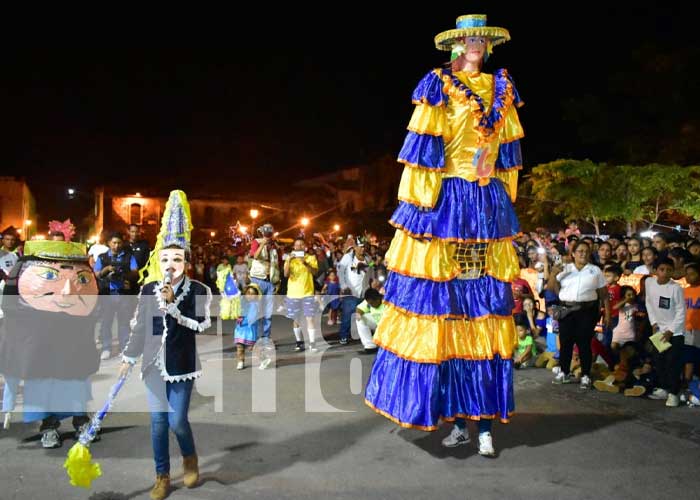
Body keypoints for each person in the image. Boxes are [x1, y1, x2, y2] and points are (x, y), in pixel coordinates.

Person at [364, 14, 523, 457]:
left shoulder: (503, 86)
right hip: (448, 202)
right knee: (443, 322)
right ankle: (454, 421)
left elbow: (508, 154)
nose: (474, 44)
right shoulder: (438, 84)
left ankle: (485, 426)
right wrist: (425, 208)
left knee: (485, 321)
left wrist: (502, 203)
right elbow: (424, 147)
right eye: (467, 38)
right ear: (456, 46)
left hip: (486, 204)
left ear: (488, 45)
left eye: (480, 38)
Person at [119, 190, 212, 500]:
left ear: (186, 261)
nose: (171, 264)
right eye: (166, 258)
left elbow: (201, 325)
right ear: (159, 260)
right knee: (158, 423)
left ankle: (189, 457)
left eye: (177, 258)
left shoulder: (198, 289)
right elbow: (140, 326)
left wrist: (174, 307)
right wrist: (128, 356)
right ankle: (162, 476)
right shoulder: (148, 289)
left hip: (181, 363)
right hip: (151, 363)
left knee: (177, 421)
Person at [0, 239, 99, 448]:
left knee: (76, 382)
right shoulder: (25, 267)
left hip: (73, 338)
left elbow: (94, 301)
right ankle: (49, 426)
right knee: (44, 384)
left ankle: (81, 420)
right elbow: (12, 308)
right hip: (40, 341)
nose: (65, 289)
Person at [548, 241, 611, 390]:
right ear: (573, 254)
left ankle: (585, 375)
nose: (583, 254)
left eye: (586, 251)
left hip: (586, 311)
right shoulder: (565, 268)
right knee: (566, 343)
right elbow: (551, 287)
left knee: (584, 344)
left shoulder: (595, 270)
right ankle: (564, 372)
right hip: (566, 310)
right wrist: (553, 273)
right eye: (580, 251)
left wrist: (607, 314)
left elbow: (604, 294)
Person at [645, 257, 686, 407]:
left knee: (672, 362)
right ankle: (663, 388)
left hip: (675, 333)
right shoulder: (649, 283)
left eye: (669, 270)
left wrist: (670, 330)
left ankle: (674, 393)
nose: (665, 273)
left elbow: (681, 312)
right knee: (659, 360)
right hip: (659, 330)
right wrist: (653, 322)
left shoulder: (675, 288)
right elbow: (649, 302)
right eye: (662, 269)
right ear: (655, 270)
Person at [94, 231, 140, 359]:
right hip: (107, 294)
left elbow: (135, 272)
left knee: (124, 322)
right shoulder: (102, 257)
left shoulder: (128, 256)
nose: (116, 245)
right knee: (106, 321)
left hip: (123, 294)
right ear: (109, 243)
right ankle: (106, 348)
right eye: (114, 243)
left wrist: (125, 275)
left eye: (119, 243)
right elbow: (96, 274)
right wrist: (107, 269)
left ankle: (124, 347)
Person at [283, 237, 320, 352]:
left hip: (308, 293)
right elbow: (285, 274)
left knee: (310, 318)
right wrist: (288, 260)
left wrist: (305, 262)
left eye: (301, 245)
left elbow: (315, 272)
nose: (299, 247)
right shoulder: (290, 259)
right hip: (293, 294)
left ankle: (312, 343)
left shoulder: (311, 258)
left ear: (305, 246)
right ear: (294, 247)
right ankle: (299, 342)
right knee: (296, 319)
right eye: (297, 245)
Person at [248, 223, 281, 339]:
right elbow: (255, 256)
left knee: (268, 312)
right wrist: (262, 244)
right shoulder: (256, 242)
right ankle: (253, 338)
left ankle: (266, 337)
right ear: (262, 232)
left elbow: (276, 263)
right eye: (266, 232)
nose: (268, 235)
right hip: (257, 279)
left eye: (270, 233)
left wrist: (277, 281)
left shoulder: (274, 245)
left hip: (270, 281)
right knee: (255, 310)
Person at [337, 237, 371, 345]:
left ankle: (364, 336)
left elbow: (371, 270)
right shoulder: (348, 257)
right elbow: (340, 270)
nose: (362, 249)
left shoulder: (368, 258)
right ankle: (343, 336)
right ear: (355, 247)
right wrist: (343, 285)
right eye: (360, 247)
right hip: (351, 291)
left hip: (364, 291)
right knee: (347, 315)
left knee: (364, 315)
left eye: (364, 247)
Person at [234, 284, 262, 370]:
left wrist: (241, 319)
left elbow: (252, 318)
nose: (250, 295)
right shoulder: (241, 302)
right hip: (240, 329)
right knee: (239, 346)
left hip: (250, 330)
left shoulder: (255, 305)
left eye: (253, 293)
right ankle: (240, 361)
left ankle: (263, 359)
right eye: (248, 293)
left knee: (252, 347)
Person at [355, 288, 385, 354]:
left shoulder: (388, 301)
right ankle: (370, 346)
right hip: (378, 323)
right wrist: (358, 315)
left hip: (390, 326)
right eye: (369, 303)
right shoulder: (369, 301)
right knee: (361, 319)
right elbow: (359, 308)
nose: (370, 305)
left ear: (378, 299)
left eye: (372, 303)